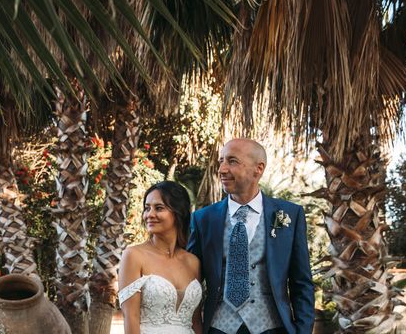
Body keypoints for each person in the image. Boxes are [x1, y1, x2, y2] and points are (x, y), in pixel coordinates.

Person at [188, 139, 314, 334]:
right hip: (218, 327)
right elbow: (190, 280)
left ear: (259, 169)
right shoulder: (203, 219)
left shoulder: (290, 214)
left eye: (232, 161)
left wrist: (303, 330)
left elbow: (301, 282)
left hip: (273, 327)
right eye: (221, 161)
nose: (221, 169)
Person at [118, 181, 203, 334]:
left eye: (159, 208)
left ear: (178, 213)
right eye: (147, 208)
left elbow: (196, 321)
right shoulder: (134, 256)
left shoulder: (193, 262)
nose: (149, 215)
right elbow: (130, 316)